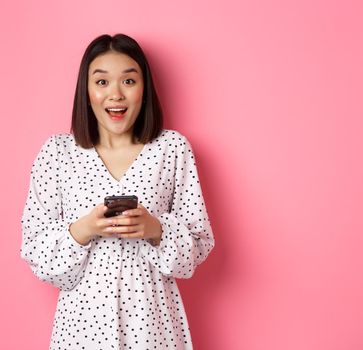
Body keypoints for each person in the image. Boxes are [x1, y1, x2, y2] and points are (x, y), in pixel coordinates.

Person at [20, 33, 215, 350]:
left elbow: (199, 245)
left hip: (152, 328)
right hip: (80, 331)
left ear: (144, 89)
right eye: (101, 82)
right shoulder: (57, 154)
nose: (115, 95)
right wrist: (84, 229)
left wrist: (156, 229)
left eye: (128, 81)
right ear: (86, 91)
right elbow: (36, 253)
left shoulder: (171, 149)